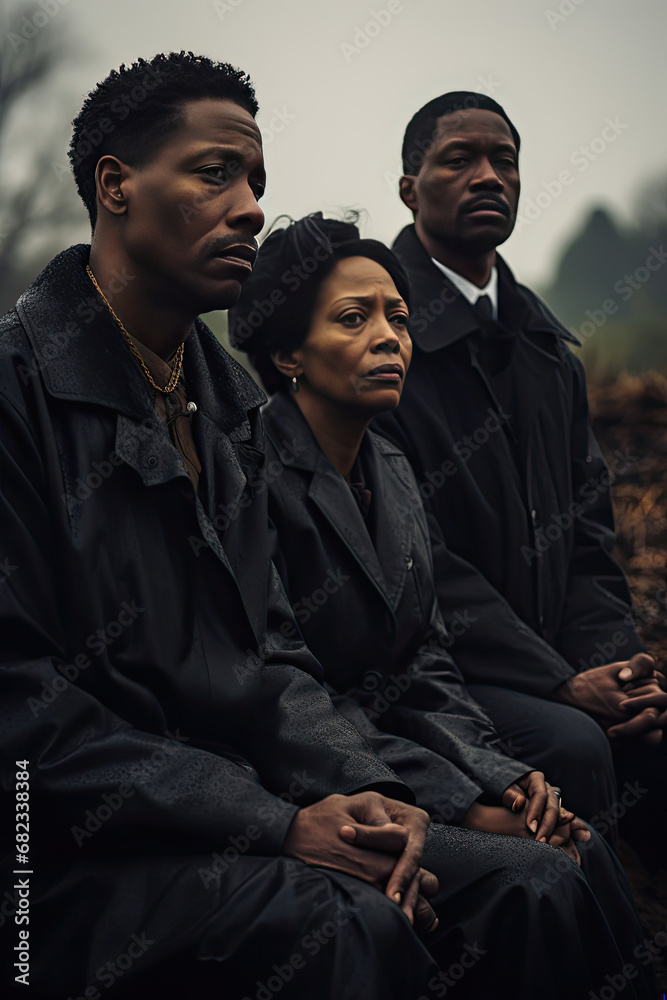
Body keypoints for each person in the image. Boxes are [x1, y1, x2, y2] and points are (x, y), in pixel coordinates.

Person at [1, 54, 652, 1000]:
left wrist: (402, 799)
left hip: (244, 805)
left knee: (538, 879)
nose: (252, 208)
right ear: (114, 187)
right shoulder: (20, 395)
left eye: (257, 181)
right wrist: (275, 825)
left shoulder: (220, 414)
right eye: (214, 173)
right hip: (60, 861)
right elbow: (23, 718)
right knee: (354, 921)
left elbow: (273, 663)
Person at [228, 211, 656, 997]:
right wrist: (458, 804)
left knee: (579, 842)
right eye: (353, 319)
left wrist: (501, 778)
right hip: (314, 786)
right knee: (535, 877)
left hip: (405, 757)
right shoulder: (249, 480)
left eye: (397, 315)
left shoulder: (389, 469)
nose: (389, 336)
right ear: (288, 353)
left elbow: (425, 661)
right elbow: (285, 694)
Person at [373, 92, 667, 850]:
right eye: (459, 160)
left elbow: (589, 537)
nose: (488, 177)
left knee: (648, 722)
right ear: (409, 188)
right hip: (437, 675)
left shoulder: (545, 350)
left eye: (503, 160)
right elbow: (420, 562)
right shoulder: (383, 345)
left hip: (558, 665)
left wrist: (613, 671)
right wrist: (559, 684)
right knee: (573, 746)